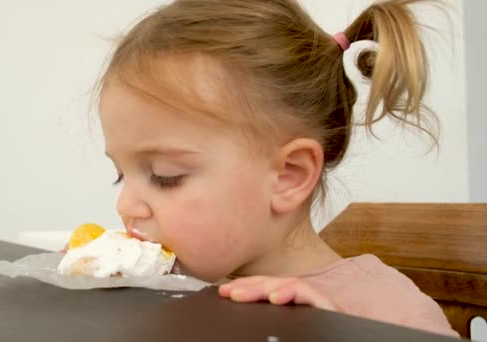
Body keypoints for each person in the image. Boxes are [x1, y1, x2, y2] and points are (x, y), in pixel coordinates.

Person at [89, 0, 457, 337]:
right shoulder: (182, 293)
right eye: (121, 174)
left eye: (165, 175)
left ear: (288, 176)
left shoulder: (385, 309)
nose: (126, 206)